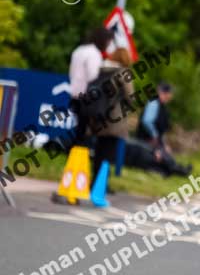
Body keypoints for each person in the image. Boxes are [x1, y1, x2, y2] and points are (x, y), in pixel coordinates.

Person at [91, 48, 134, 190]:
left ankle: (94, 180)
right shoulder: (123, 73)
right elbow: (131, 96)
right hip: (114, 118)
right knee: (108, 153)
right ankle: (102, 184)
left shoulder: (101, 70)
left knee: (99, 150)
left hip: (98, 115)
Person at [68, 27, 114, 144]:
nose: (109, 44)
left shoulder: (79, 50)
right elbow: (93, 77)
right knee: (84, 130)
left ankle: (74, 151)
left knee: (78, 128)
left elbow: (71, 72)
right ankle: (78, 154)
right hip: (86, 96)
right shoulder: (94, 54)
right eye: (109, 41)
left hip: (74, 93)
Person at [135, 82, 190, 176]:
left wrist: (163, 144)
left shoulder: (162, 106)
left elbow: (162, 130)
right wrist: (155, 136)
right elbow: (147, 122)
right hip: (146, 140)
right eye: (168, 94)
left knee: (166, 155)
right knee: (160, 157)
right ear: (163, 93)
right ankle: (177, 170)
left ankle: (177, 169)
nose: (169, 97)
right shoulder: (153, 103)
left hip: (154, 140)